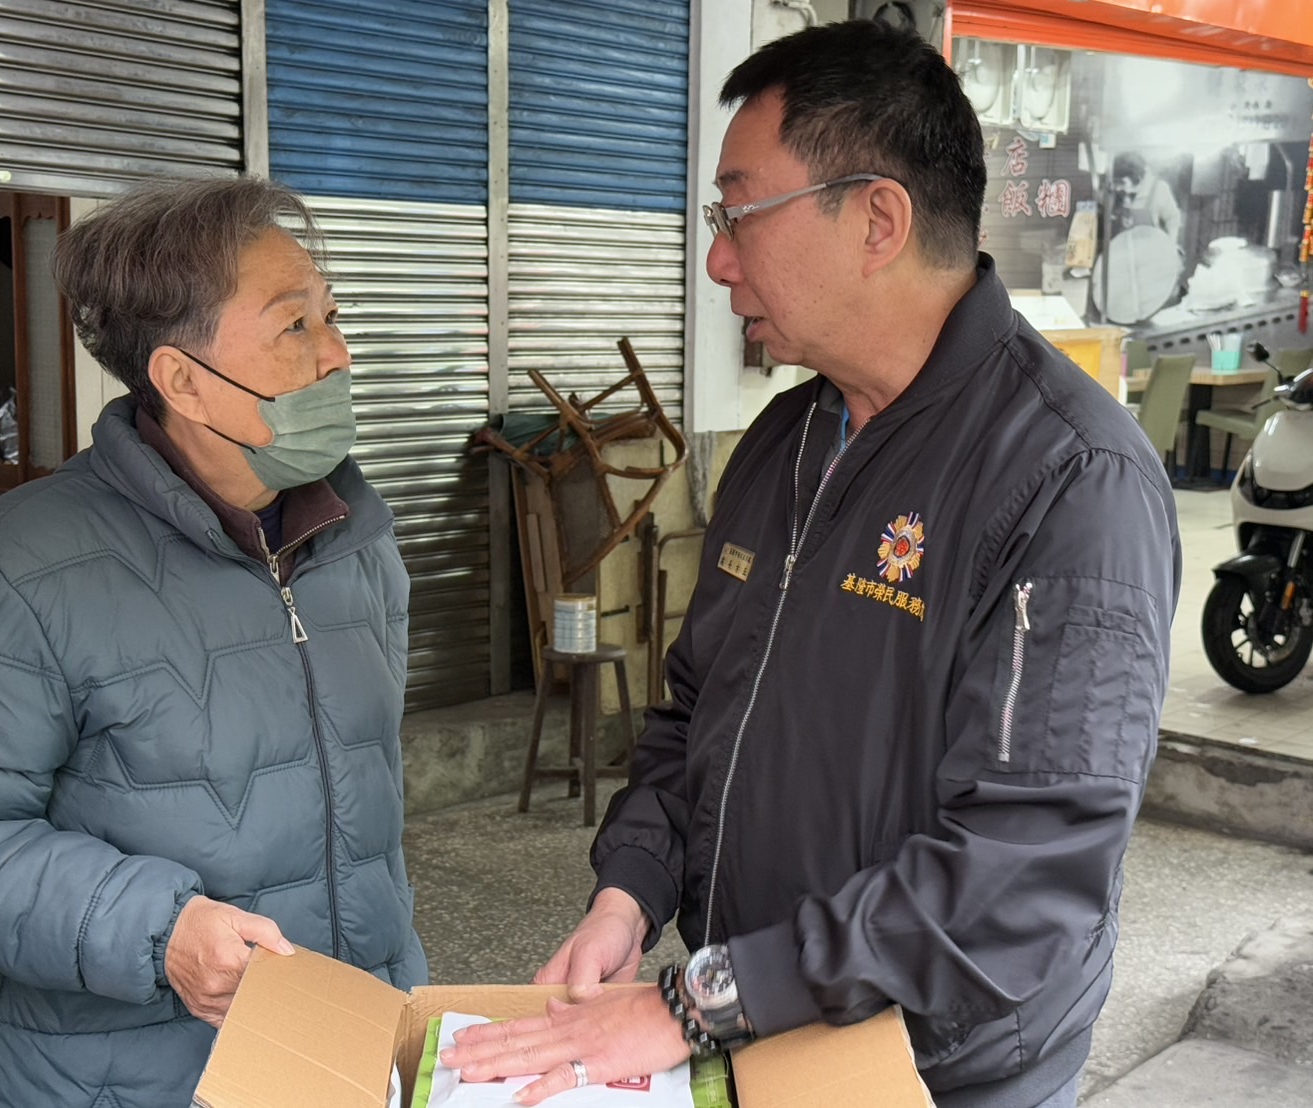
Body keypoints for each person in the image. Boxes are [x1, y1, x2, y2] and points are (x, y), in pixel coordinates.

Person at [443, 21, 1179, 1108]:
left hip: (935, 1075)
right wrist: (628, 895)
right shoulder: (784, 444)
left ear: (877, 219)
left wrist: (697, 1002)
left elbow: (1022, 876)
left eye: (737, 213)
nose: (716, 259)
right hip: (761, 1036)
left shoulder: (1069, 479)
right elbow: (696, 716)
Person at [0, 176, 427, 1106]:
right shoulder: (13, 574)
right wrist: (158, 931)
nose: (337, 354)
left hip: (341, 1056)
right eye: (294, 326)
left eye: (332, 315)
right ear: (182, 380)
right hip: (112, 1081)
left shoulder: (353, 536)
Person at [1112, 151, 1183, 244]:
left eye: (1122, 183)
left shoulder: (1158, 189)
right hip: (1125, 247)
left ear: (1137, 178)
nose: (1117, 188)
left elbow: (1173, 218)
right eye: (1116, 182)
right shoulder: (1120, 191)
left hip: (1151, 248)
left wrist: (1171, 244)